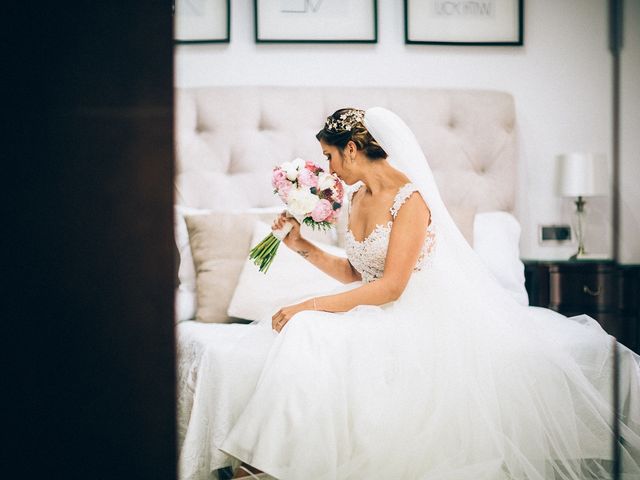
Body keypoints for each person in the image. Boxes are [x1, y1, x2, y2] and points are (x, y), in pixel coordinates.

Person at [181, 107, 640, 480]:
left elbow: (391, 286)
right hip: (378, 306)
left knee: (308, 328)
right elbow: (354, 272)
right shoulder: (356, 198)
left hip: (414, 313)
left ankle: (266, 467)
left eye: (330, 156)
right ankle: (265, 465)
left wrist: (307, 304)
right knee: (306, 333)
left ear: (354, 148)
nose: (328, 168)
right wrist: (300, 246)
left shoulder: (411, 201)